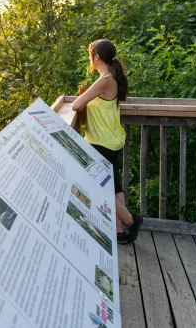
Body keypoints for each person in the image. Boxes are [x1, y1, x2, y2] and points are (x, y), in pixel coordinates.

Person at [72, 39, 143, 244]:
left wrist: (85, 96)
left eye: (90, 56)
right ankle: (120, 232)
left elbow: (76, 105)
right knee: (115, 188)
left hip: (101, 142)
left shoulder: (104, 79)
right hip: (111, 140)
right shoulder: (112, 77)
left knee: (102, 189)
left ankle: (131, 221)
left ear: (96, 57)